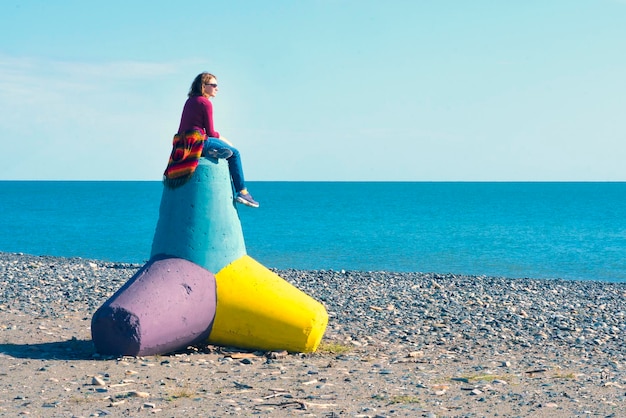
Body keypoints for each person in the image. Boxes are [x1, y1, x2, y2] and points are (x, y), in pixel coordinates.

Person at [175, 72, 259, 208]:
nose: (217, 88)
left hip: (183, 144)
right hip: (199, 141)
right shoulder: (205, 103)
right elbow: (211, 132)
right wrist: (226, 140)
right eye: (213, 85)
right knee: (234, 153)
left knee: (218, 148)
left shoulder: (190, 100)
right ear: (203, 86)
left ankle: (211, 152)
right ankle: (243, 192)